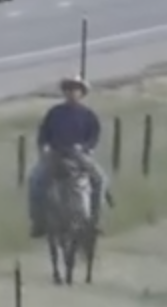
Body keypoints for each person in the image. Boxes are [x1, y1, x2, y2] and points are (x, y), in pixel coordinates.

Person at [27, 75, 109, 240]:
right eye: (68, 89)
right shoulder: (54, 113)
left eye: (75, 90)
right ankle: (39, 222)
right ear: (65, 92)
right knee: (35, 181)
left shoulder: (88, 115)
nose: (72, 93)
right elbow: (43, 134)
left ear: (81, 93)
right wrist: (43, 148)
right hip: (56, 153)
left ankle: (94, 220)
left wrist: (86, 148)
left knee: (100, 179)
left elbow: (94, 136)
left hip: (79, 154)